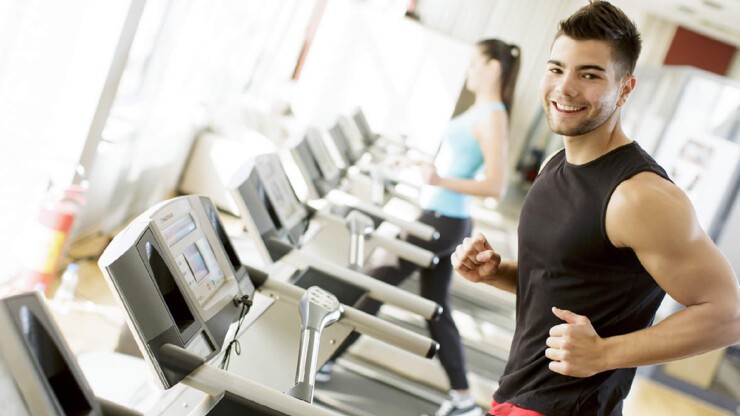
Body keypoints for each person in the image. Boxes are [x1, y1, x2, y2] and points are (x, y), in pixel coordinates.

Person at [451, 2, 740, 416]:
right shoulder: (559, 164)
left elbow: (727, 315)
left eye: (589, 75)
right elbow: (573, 280)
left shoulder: (639, 195)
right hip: (519, 393)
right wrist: (498, 273)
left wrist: (604, 354)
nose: (565, 87)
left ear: (625, 89)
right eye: (556, 69)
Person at [317, 38, 521, 416]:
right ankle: (462, 397)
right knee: (436, 309)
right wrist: (414, 161)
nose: (468, 71)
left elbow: (495, 186)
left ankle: (321, 362)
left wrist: (439, 180)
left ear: (493, 68)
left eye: (475, 64)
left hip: (443, 221)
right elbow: (451, 162)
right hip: (443, 218)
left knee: (374, 283)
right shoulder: (480, 111)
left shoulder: (493, 114)